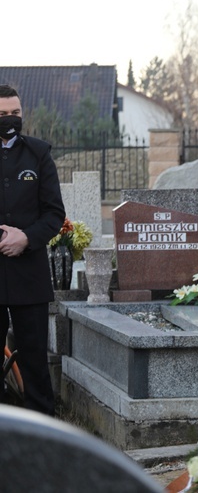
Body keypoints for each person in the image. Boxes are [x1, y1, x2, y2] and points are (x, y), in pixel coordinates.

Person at [0, 84, 66, 416]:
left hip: (30, 277)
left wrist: (25, 238)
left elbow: (54, 213)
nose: (10, 120)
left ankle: (44, 438)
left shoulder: (39, 154)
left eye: (15, 114)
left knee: (35, 363)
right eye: (2, 115)